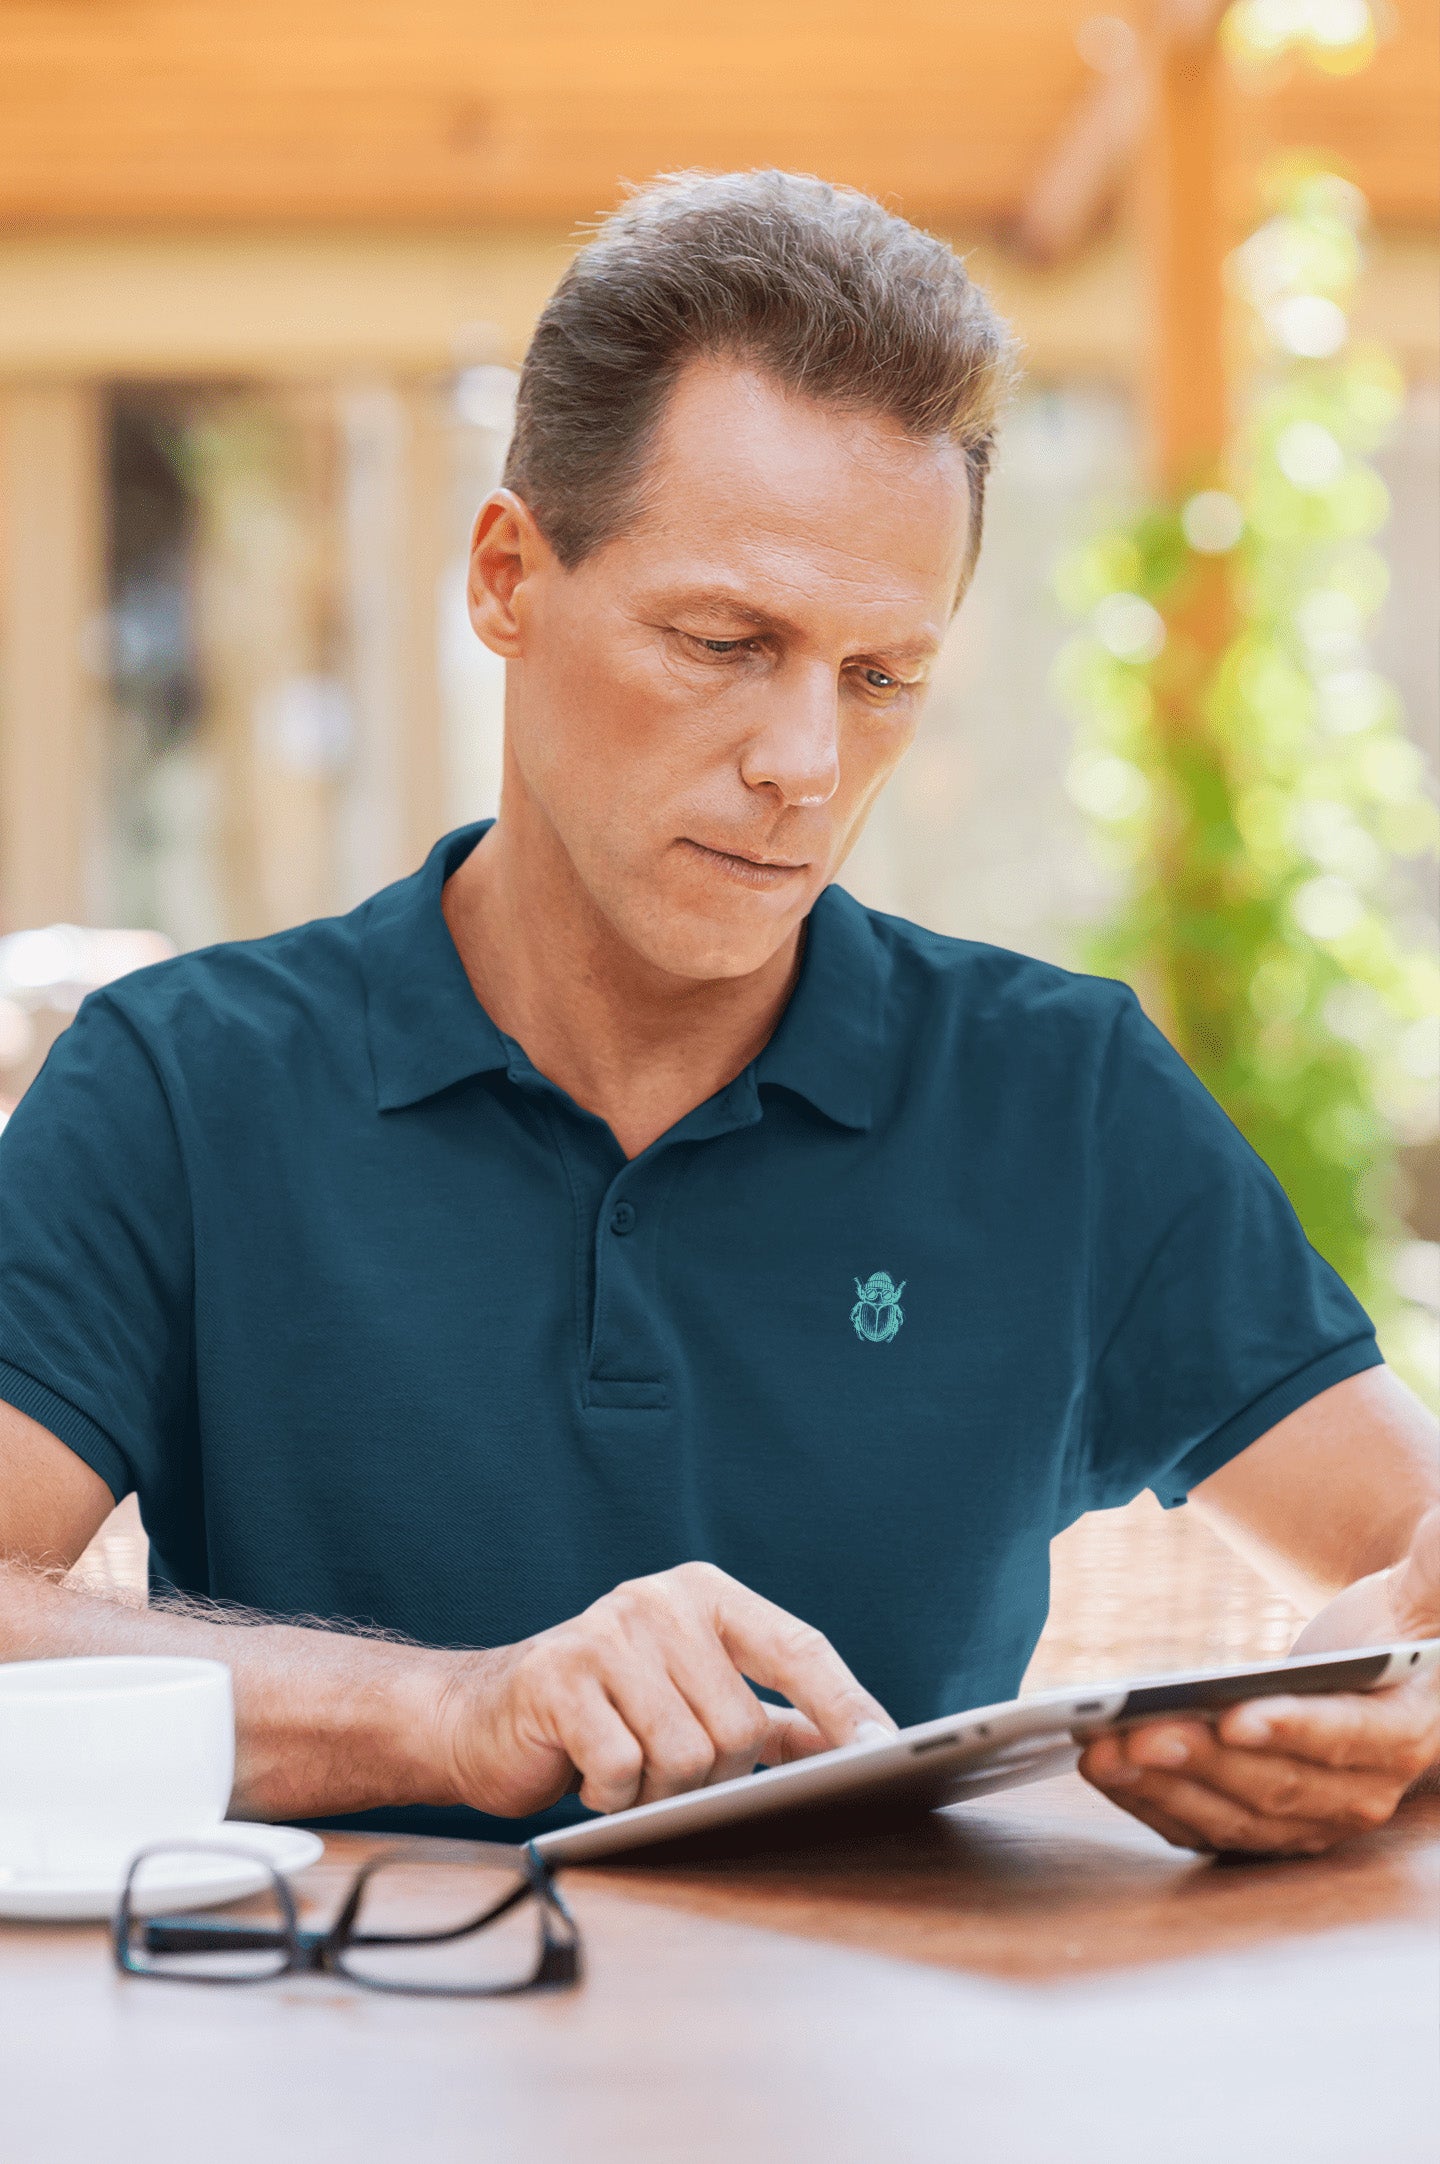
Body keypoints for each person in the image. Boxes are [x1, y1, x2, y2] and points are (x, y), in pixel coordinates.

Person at [1, 171, 1436, 1858]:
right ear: (506, 580)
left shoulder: (1061, 1096)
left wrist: (1388, 1692)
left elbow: (1413, 1545)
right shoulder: (180, 1089)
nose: (805, 766)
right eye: (724, 639)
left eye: (880, 676)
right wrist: (462, 1712)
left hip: (903, 2097)